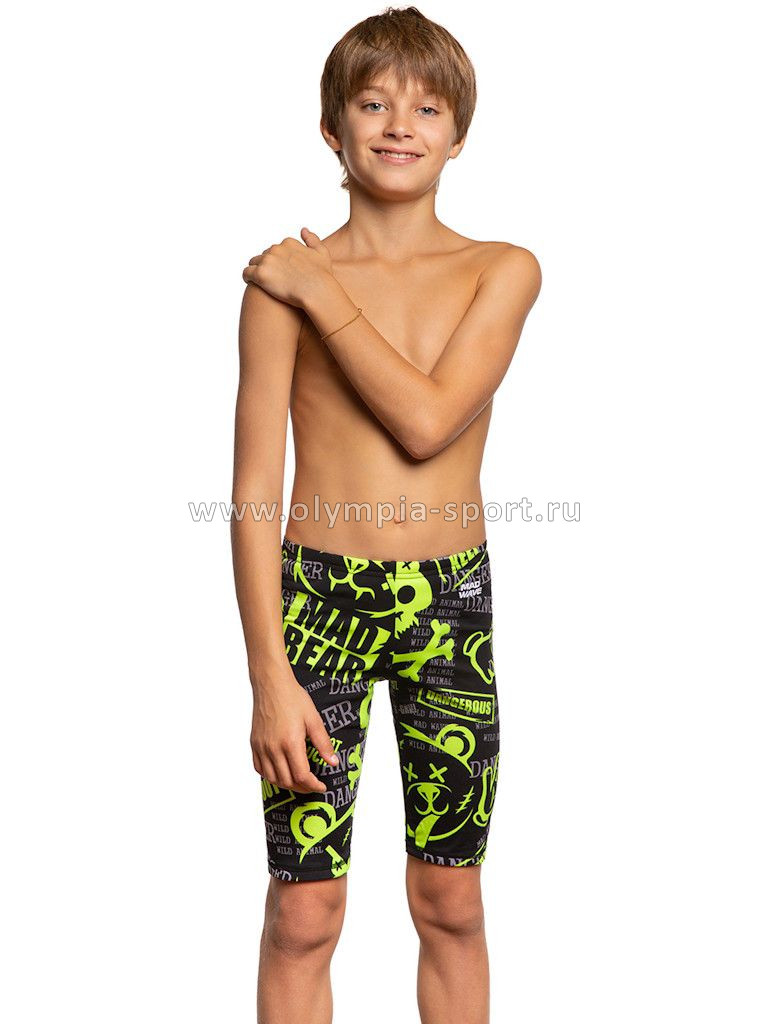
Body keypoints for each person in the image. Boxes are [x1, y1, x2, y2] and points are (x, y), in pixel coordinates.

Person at [231, 7, 541, 1022]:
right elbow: (254, 488)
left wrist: (321, 289)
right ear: (333, 128)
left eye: (427, 108)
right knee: (303, 912)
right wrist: (269, 676)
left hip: (449, 601)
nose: (400, 124)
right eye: (372, 103)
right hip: (316, 599)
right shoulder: (278, 290)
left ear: (459, 135)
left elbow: (428, 421)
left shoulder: (501, 268)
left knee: (450, 899)